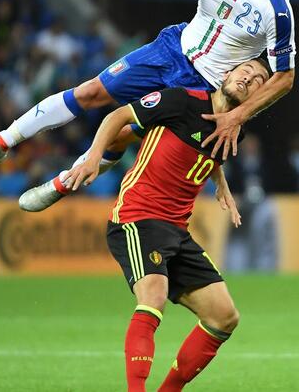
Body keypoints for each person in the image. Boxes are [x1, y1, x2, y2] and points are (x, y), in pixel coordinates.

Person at [0, 0, 295, 174]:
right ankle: (2, 141)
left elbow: (285, 78)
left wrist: (236, 116)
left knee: (124, 134)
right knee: (90, 92)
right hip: (170, 51)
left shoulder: (276, 8)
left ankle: (63, 182)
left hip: (203, 87)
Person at [60, 57, 270, 391]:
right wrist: (92, 159)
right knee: (153, 298)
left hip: (177, 229)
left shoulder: (234, 131)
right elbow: (117, 116)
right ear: (227, 72)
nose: (249, 78)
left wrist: (221, 183)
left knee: (224, 317)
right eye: (246, 69)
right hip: (138, 216)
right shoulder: (181, 100)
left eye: (259, 80)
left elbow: (207, 150)